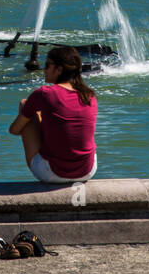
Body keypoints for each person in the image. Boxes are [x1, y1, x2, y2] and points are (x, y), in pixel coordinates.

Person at [9, 45, 97, 183]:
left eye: (48, 65)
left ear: (59, 69)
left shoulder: (44, 93)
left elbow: (14, 130)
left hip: (53, 172)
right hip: (87, 170)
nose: (43, 69)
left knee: (25, 105)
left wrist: (36, 124)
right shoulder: (89, 96)